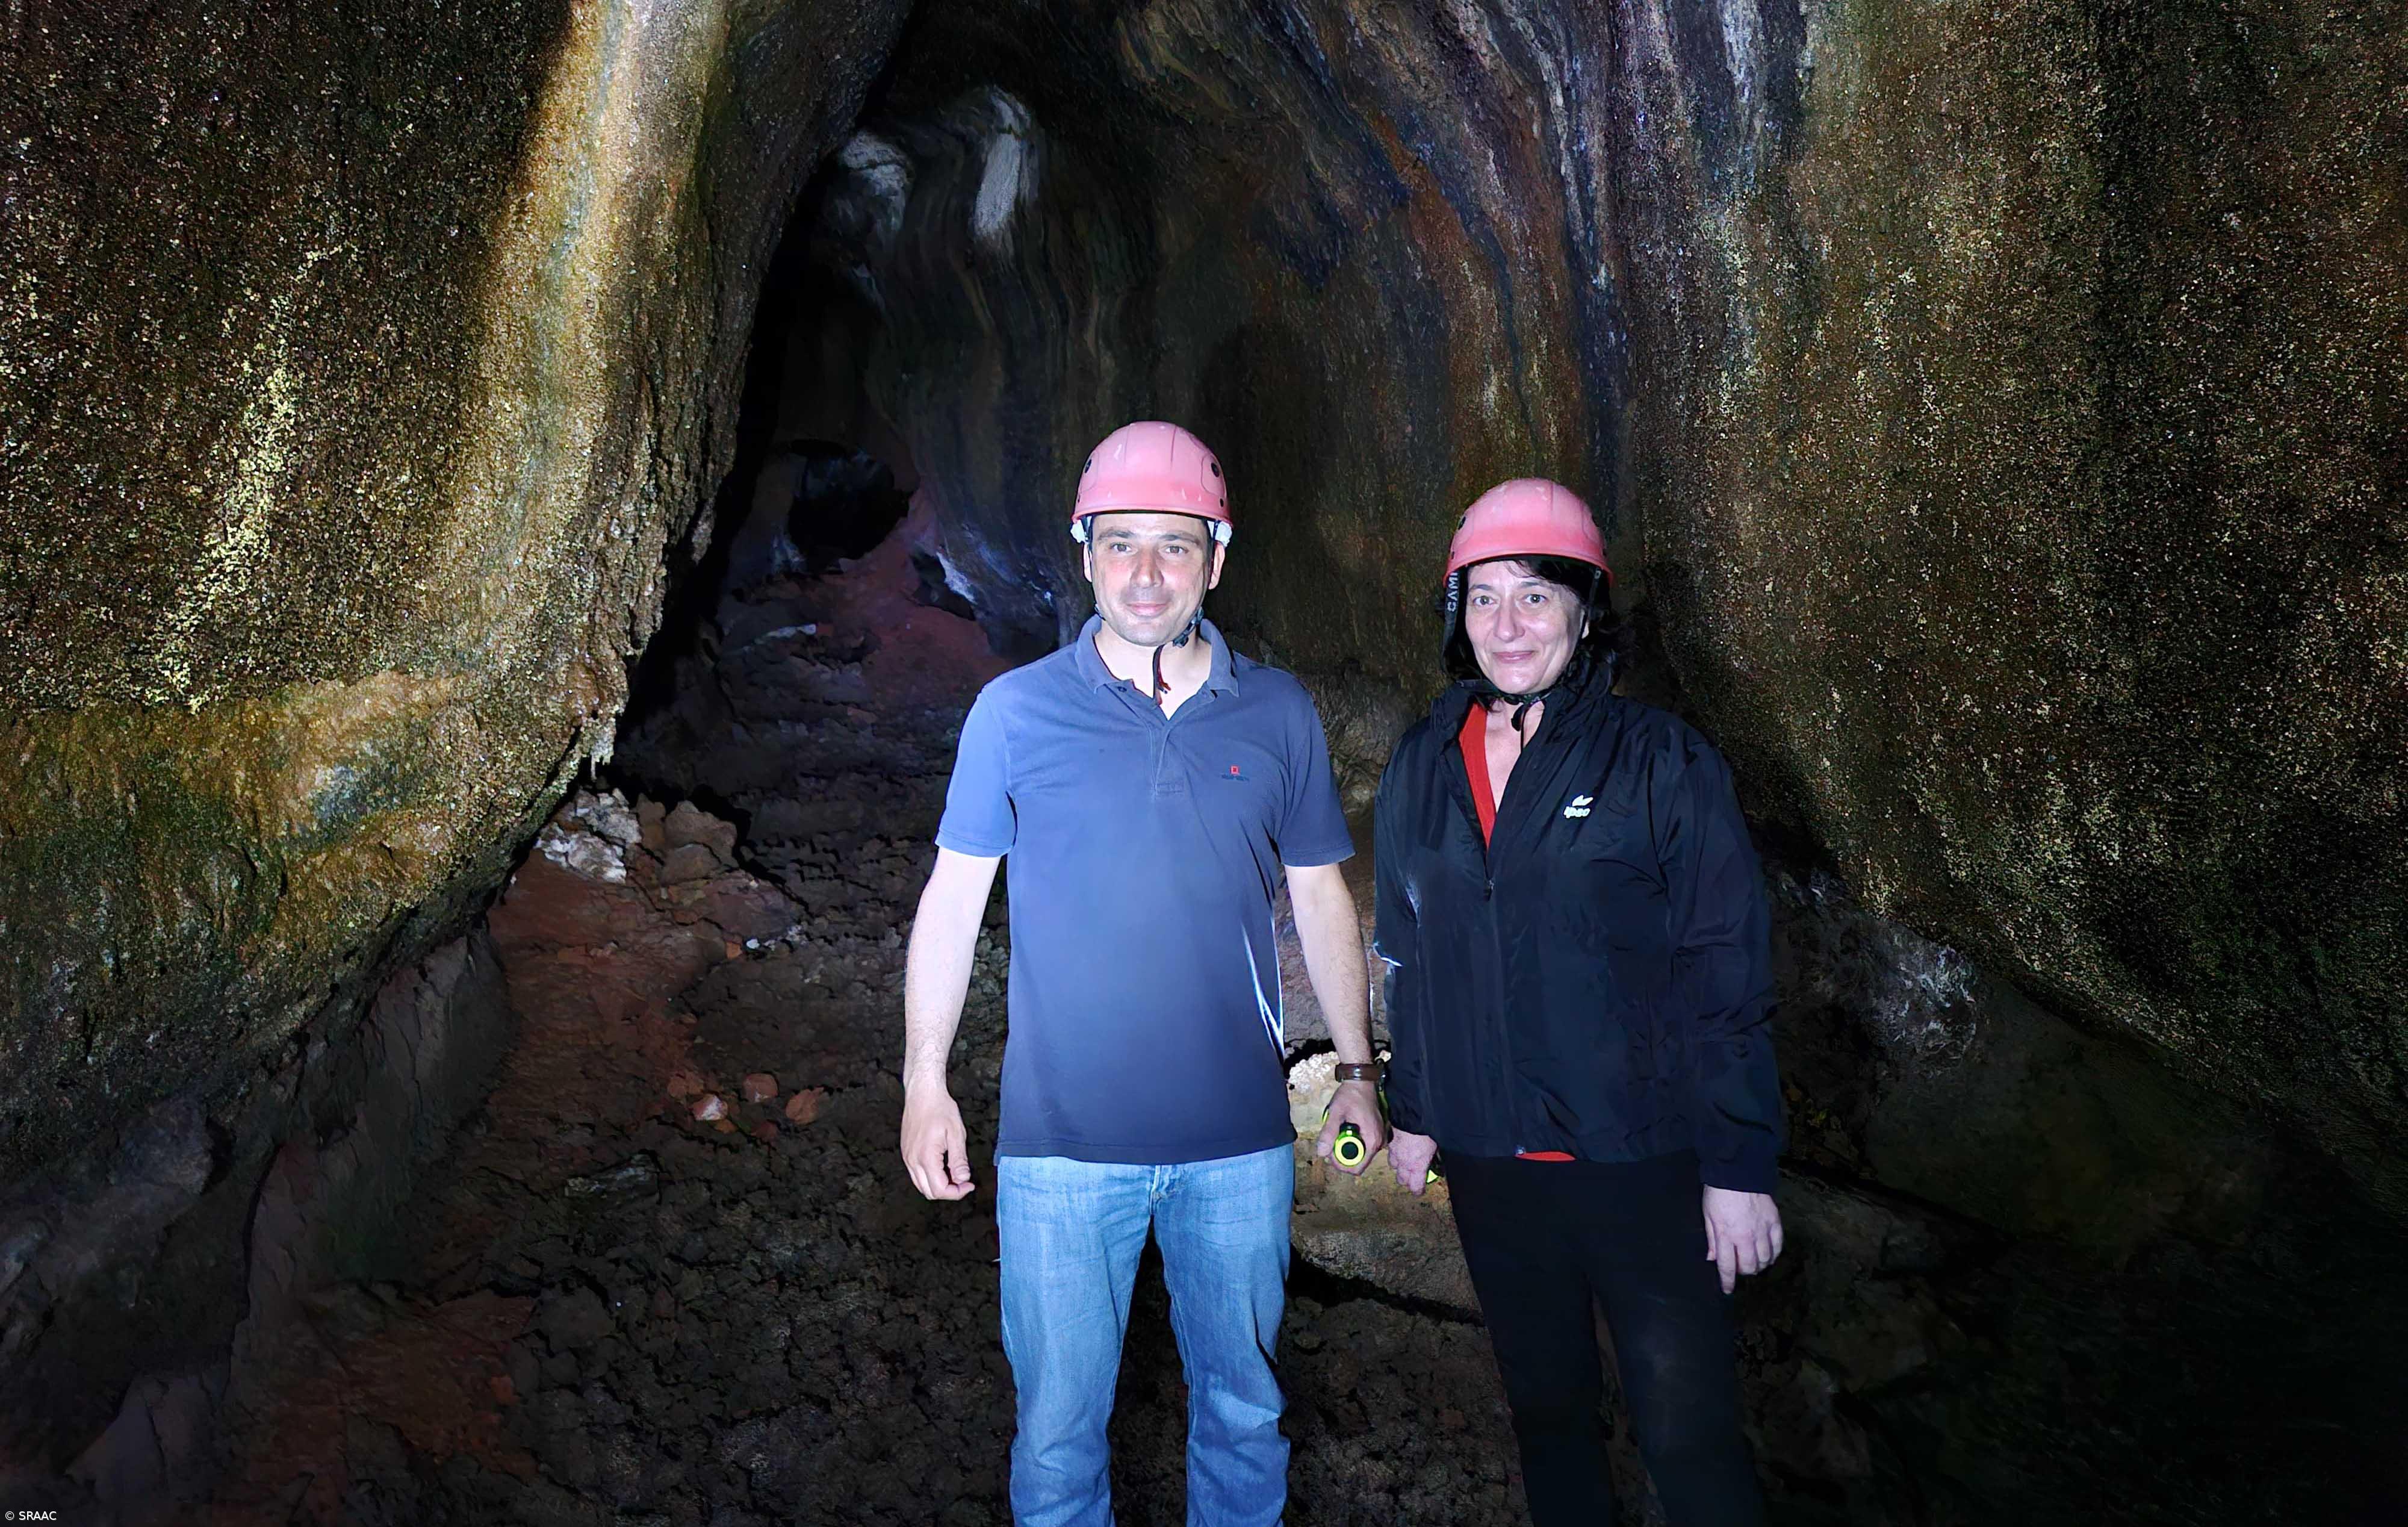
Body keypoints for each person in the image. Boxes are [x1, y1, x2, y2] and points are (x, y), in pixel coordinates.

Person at [899, 420, 1388, 1527]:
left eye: (1175, 545)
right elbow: (952, 902)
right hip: (1061, 1150)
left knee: (1243, 1416)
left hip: (1238, 1145)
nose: (1146, 573)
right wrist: (926, 1079)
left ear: (1217, 558)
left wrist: (1356, 1067)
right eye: (1121, 543)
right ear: (1084, 555)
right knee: (1061, 1440)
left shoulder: (1277, 713)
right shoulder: (1015, 714)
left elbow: (1319, 895)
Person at [1373, 478, 1784, 1526]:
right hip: (1490, 1165)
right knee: (1548, 1416)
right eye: (1482, 600)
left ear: (1584, 610)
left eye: (1535, 597)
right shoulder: (1425, 762)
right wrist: (1415, 1108)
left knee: (1688, 1438)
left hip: (1638, 1164)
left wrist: (1737, 1167)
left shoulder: (1659, 760)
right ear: (1455, 617)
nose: (1507, 627)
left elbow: (1723, 964)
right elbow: (1410, 952)